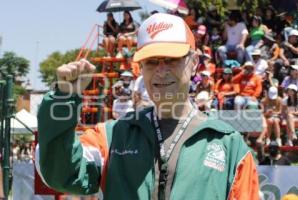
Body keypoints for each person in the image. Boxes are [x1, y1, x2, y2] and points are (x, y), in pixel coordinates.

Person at [36, 13, 259, 200]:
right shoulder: (111, 136)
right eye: (151, 62)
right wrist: (63, 99)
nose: (161, 70)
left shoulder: (229, 145)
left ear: (194, 63)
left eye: (172, 59)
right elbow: (61, 174)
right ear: (141, 68)